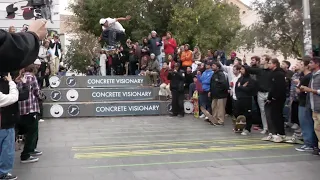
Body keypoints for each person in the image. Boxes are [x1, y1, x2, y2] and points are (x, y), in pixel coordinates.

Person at [0, 73, 19, 180]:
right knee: (7, 150)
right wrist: (11, 82)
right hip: (4, 124)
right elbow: (13, 97)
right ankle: (3, 173)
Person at [300, 56, 320, 156]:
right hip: (313, 107)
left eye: (311, 63)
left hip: (318, 106)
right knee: (317, 129)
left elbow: (316, 91)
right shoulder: (313, 75)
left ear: (317, 64)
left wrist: (310, 90)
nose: (309, 65)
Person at [265, 58, 287, 142]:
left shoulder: (279, 74)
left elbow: (279, 87)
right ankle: (276, 132)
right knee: (273, 116)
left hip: (278, 98)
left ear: (275, 64)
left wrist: (274, 97)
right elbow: (271, 87)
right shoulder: (272, 73)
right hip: (273, 97)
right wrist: (269, 97)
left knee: (278, 115)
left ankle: (281, 134)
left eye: (270, 63)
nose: (269, 64)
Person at [234, 66, 256, 135]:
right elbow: (236, 87)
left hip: (247, 98)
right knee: (238, 113)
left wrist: (241, 87)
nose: (241, 70)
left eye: (243, 69)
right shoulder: (240, 78)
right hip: (240, 98)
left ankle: (247, 129)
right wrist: (240, 89)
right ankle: (240, 126)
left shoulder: (250, 80)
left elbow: (249, 90)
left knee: (247, 114)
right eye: (241, 69)